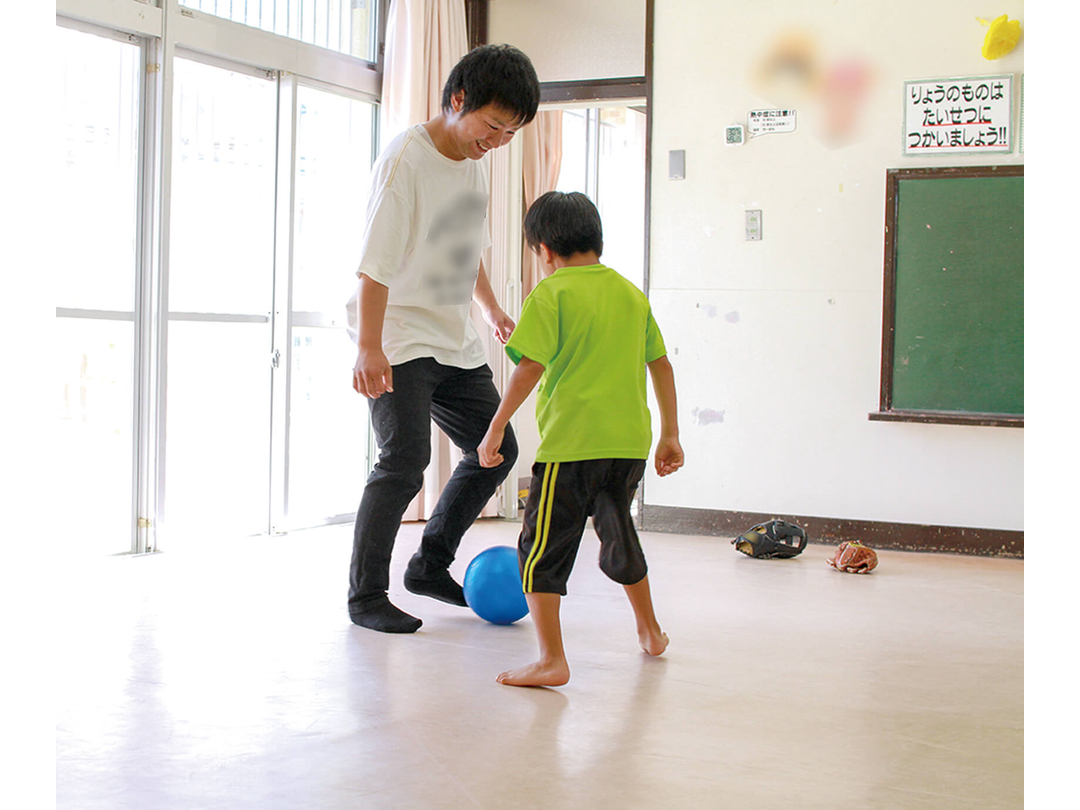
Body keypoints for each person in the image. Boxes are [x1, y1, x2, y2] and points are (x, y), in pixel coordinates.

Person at [346, 44, 540, 634]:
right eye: (493, 125)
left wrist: (492, 309)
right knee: (404, 460)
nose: (497, 141)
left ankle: (429, 566)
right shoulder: (407, 159)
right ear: (458, 99)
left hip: (452, 339)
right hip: (399, 333)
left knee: (495, 449)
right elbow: (374, 265)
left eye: (510, 132)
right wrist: (369, 346)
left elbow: (464, 249)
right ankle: (365, 597)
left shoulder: (473, 163)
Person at [477, 191, 685, 686]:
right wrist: (671, 434)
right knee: (618, 532)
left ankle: (551, 660)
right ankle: (650, 631)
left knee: (539, 549)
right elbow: (661, 364)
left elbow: (530, 367)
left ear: (545, 250)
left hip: (572, 448)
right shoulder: (630, 294)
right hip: (628, 445)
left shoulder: (551, 294)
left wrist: (496, 426)